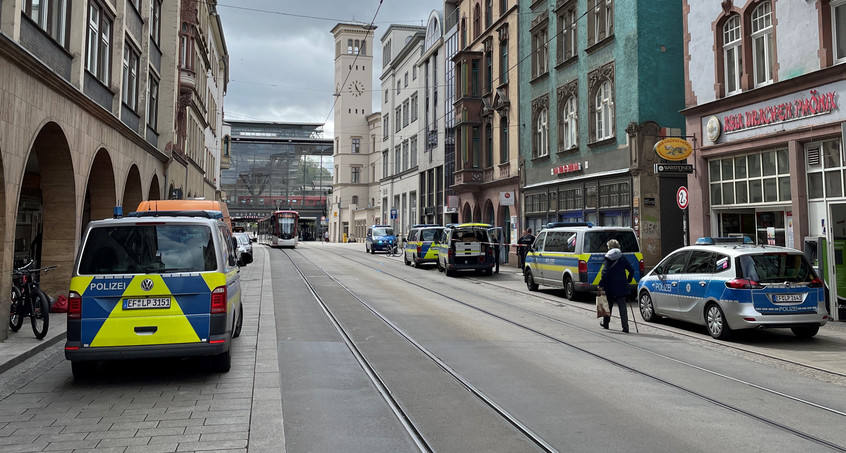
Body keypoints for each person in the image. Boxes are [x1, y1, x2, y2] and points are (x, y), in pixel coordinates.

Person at [597, 239, 635, 333]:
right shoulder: (622, 257)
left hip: (610, 286)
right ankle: (625, 327)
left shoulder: (607, 258)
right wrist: (628, 280)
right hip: (622, 285)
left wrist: (601, 284)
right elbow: (631, 270)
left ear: (609, 248)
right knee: (622, 307)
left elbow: (605, 273)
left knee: (608, 305)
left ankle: (606, 323)